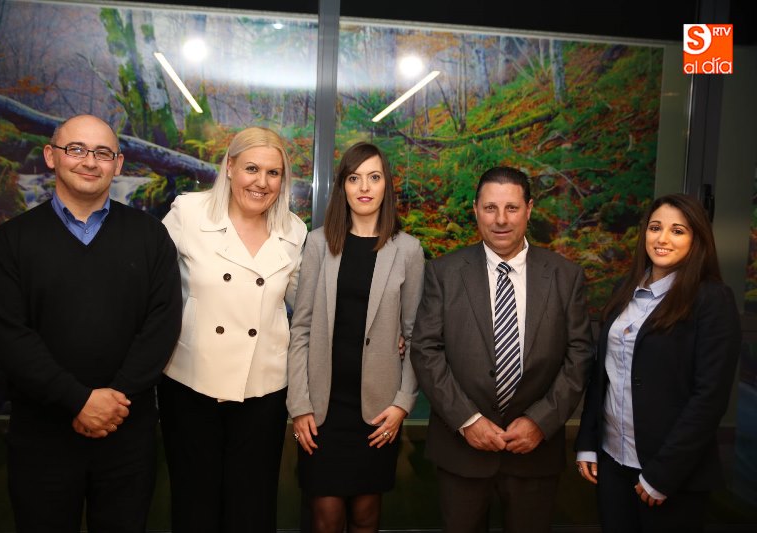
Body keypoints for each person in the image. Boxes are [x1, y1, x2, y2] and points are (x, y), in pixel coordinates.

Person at [0, 114, 183, 533]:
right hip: (43, 437)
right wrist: (77, 400)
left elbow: (162, 324)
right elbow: (9, 336)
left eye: (103, 153)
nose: (90, 161)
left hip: (127, 433)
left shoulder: (150, 237)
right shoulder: (10, 242)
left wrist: (113, 401)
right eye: (77, 149)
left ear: (118, 164)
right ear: (51, 157)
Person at [410, 166, 594, 533]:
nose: (500, 220)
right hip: (462, 450)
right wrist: (468, 420)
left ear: (529, 209)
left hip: (535, 453)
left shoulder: (565, 276)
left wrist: (541, 422)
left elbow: (579, 357)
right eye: (490, 208)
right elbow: (426, 350)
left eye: (511, 208)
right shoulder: (444, 273)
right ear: (476, 210)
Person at [158, 126, 308, 532]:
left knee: (253, 506)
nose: (262, 182)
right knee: (194, 504)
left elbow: (306, 305)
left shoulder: (294, 231)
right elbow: (151, 289)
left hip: (263, 389)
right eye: (252, 169)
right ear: (229, 167)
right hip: (191, 385)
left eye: (273, 173)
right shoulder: (187, 214)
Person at [575, 194, 741, 532]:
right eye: (655, 228)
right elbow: (602, 374)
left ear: (697, 240)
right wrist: (588, 443)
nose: (662, 239)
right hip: (612, 464)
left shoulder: (711, 299)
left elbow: (709, 398)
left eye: (677, 230)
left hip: (668, 475)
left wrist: (663, 473)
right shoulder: (625, 290)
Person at [286, 142, 425, 532]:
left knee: (366, 517)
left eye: (374, 177)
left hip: (378, 411)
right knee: (325, 517)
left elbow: (414, 336)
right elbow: (301, 328)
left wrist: (401, 404)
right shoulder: (318, 243)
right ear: (343, 186)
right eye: (354, 177)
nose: (364, 187)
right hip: (322, 410)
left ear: (386, 186)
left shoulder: (408, 251)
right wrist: (299, 404)